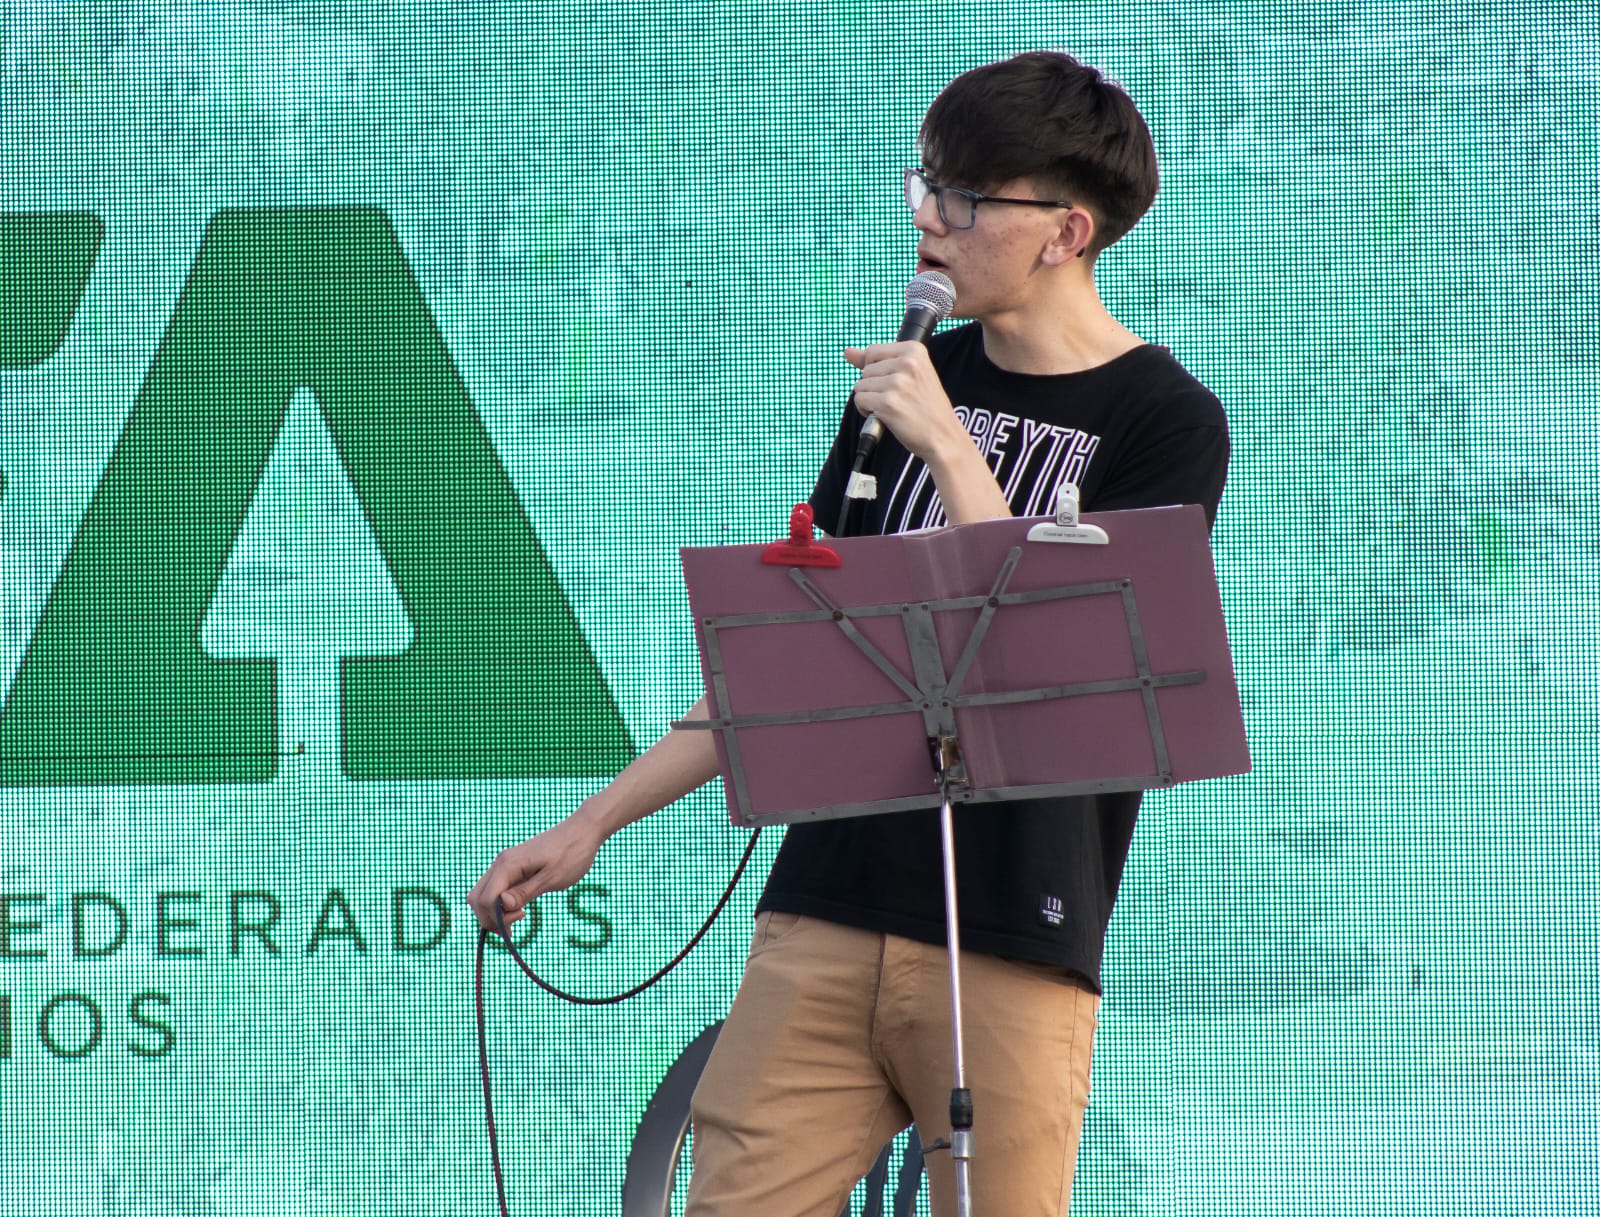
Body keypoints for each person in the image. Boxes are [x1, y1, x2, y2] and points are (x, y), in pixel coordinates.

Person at [469, 50, 1229, 1217]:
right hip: (825, 901)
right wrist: (592, 823)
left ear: (1065, 231)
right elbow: (800, 659)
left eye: (964, 198)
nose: (927, 219)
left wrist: (952, 448)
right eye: (924, 185)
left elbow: (1070, 660)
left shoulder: (1162, 420)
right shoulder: (910, 382)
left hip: (1009, 928)